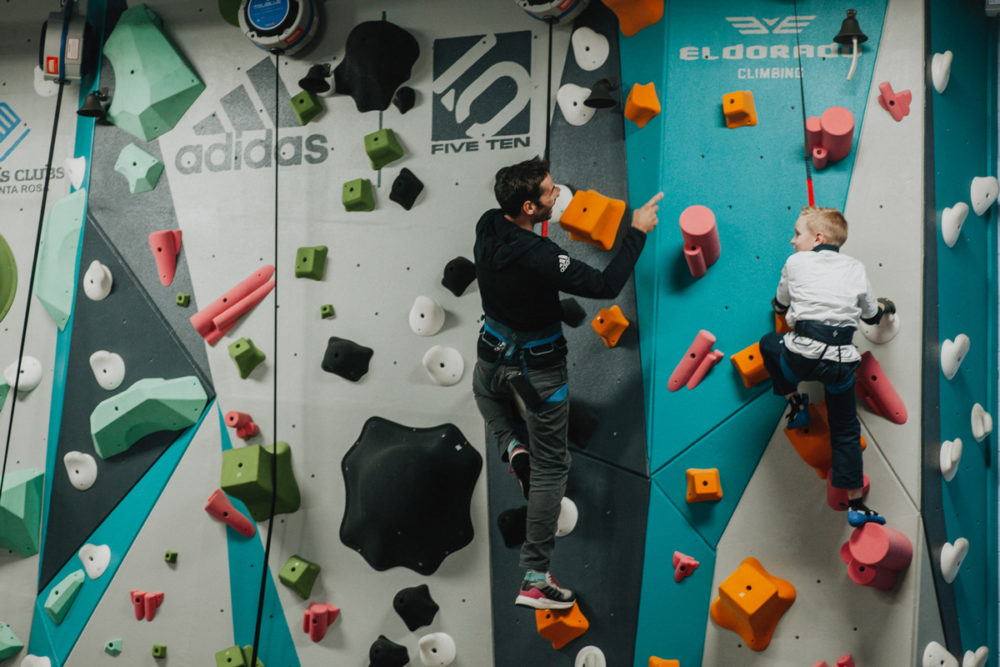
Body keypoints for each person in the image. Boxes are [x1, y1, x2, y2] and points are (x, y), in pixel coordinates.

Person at [472, 156, 662, 610]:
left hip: (491, 356)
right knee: (553, 469)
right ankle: (536, 577)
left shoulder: (488, 224)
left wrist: (551, 303)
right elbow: (603, 283)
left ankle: (513, 448)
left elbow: (519, 281)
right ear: (529, 208)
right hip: (538, 371)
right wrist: (637, 231)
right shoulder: (541, 255)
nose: (559, 195)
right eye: (551, 193)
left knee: (486, 397)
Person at [759, 206, 895, 527]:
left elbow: (779, 303)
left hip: (803, 356)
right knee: (846, 429)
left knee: (768, 343)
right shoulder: (857, 268)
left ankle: (795, 402)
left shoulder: (794, 262)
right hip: (840, 363)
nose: (793, 242)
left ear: (818, 237)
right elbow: (871, 315)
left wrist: (785, 306)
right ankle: (856, 504)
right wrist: (886, 306)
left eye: (798, 234)